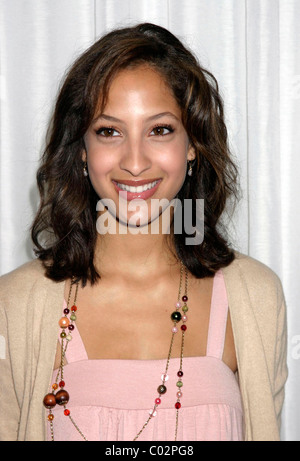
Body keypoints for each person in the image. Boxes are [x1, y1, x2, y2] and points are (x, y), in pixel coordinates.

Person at [0, 23, 287, 442]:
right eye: (109, 131)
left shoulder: (255, 295)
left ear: (193, 145)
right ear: (82, 150)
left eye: (160, 130)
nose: (135, 163)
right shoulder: (15, 302)